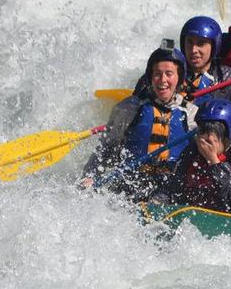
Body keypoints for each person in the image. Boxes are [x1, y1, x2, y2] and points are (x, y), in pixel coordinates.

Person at [82, 42, 198, 200]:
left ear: (179, 78)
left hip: (170, 188)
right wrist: (91, 175)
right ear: (150, 77)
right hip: (130, 183)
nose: (162, 80)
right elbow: (106, 149)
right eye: (157, 74)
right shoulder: (130, 108)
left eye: (169, 74)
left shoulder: (192, 114)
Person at [150, 99, 231, 214]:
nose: (204, 141)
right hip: (202, 214)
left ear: (227, 137)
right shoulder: (194, 149)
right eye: (202, 132)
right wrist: (157, 201)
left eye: (211, 134)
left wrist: (214, 162)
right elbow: (173, 185)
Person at [133, 16, 231, 107]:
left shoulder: (228, 77)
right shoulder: (166, 71)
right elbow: (134, 103)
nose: (193, 50)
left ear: (214, 46)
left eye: (201, 43)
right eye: (190, 42)